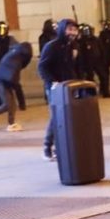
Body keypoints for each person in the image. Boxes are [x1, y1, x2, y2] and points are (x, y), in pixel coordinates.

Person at [38, 18, 79, 161]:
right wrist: (52, 82)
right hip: (54, 87)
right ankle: (47, 147)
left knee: (66, 117)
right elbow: (42, 67)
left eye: (74, 29)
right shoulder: (52, 46)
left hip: (68, 86)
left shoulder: (70, 47)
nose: (72, 32)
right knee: (56, 117)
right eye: (69, 29)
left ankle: (59, 147)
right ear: (62, 30)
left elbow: (69, 67)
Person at [76, 23, 110, 98]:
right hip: (87, 62)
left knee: (104, 76)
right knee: (90, 78)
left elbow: (101, 49)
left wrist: (103, 59)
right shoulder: (81, 41)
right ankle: (92, 93)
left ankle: (106, 92)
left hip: (98, 61)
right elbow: (81, 54)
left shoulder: (95, 39)